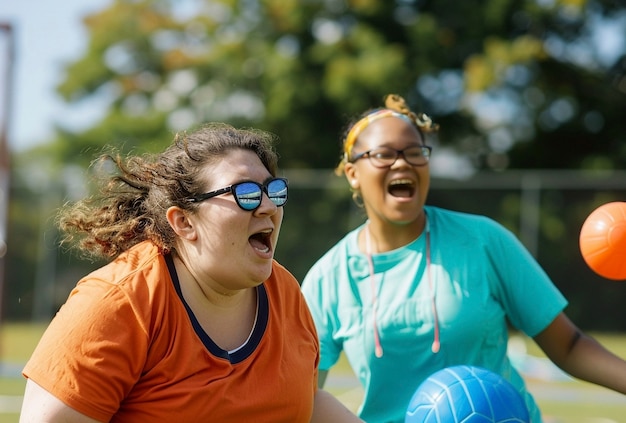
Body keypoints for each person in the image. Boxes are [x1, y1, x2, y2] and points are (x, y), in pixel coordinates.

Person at [300, 94, 626, 423]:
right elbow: (304, 398)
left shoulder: (484, 241)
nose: (402, 163)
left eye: (415, 152)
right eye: (384, 154)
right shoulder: (329, 278)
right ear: (353, 173)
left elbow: (568, 345)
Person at [20, 123, 364, 423]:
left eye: (273, 190)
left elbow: (304, 400)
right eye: (245, 193)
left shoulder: (284, 292)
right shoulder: (117, 303)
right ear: (184, 222)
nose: (269, 206)